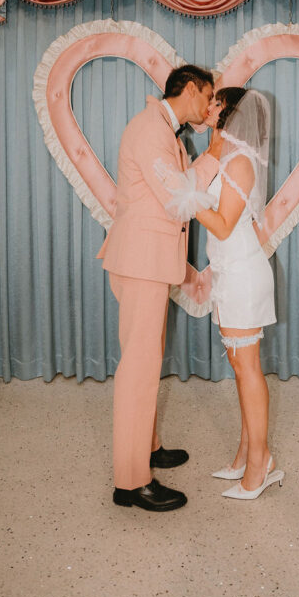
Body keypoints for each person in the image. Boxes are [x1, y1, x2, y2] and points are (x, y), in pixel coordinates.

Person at [98, 65, 219, 513]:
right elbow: (178, 196)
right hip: (140, 263)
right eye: (207, 97)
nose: (209, 107)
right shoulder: (150, 129)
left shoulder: (164, 130)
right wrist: (217, 152)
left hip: (150, 263)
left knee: (148, 361)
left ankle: (147, 448)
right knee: (139, 369)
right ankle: (130, 482)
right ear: (191, 90)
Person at [196, 87, 284, 500]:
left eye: (215, 102)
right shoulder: (227, 159)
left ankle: (259, 465)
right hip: (230, 272)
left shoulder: (241, 162)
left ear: (229, 113)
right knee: (239, 365)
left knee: (247, 369)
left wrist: (184, 198)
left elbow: (223, 224)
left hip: (244, 274)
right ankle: (246, 453)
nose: (208, 107)